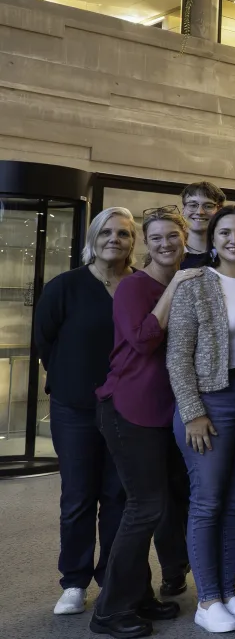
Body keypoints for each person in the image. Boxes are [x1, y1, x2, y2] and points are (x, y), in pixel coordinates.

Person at [91, 207, 201, 638]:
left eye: (172, 237)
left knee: (157, 508)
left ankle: (138, 596)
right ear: (145, 243)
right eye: (155, 238)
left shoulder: (191, 283)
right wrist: (175, 283)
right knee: (144, 506)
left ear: (185, 238)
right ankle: (110, 609)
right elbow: (143, 339)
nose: (165, 244)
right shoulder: (134, 287)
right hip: (127, 407)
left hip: (164, 411)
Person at [166, 204, 235, 635]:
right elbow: (177, 357)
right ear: (212, 238)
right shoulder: (196, 283)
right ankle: (207, 600)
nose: (234, 239)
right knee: (208, 501)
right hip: (213, 399)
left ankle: (229, 593)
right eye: (224, 232)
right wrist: (192, 413)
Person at [34, 207, 136, 616]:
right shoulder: (66, 286)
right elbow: (45, 341)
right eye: (107, 232)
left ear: (133, 243)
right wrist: (71, 378)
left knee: (118, 496)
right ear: (92, 238)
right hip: (75, 408)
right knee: (78, 496)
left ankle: (110, 577)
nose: (115, 239)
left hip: (127, 409)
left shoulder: (140, 287)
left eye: (124, 234)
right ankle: (73, 582)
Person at [180, 182, 226, 270]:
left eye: (208, 206)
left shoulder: (229, 255)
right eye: (193, 205)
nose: (200, 212)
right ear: (183, 210)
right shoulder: (171, 255)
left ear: (219, 211)